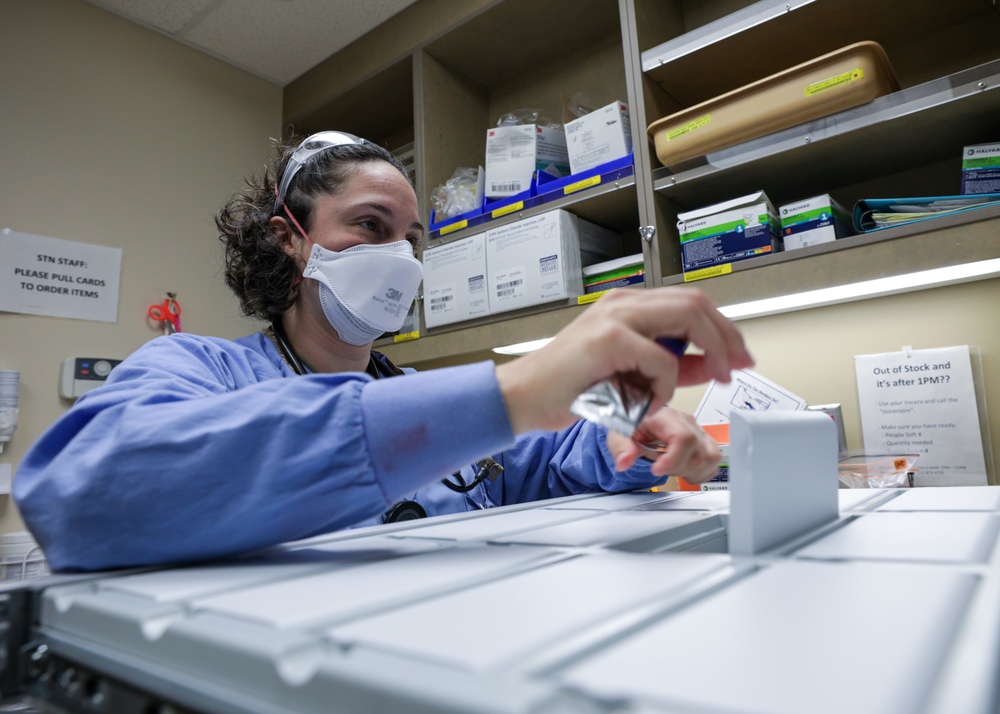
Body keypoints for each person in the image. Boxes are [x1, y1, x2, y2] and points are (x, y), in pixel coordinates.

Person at [13, 132, 754, 572]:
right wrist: (516, 390)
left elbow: (561, 458)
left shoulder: (438, 405)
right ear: (288, 238)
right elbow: (84, 492)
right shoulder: (200, 370)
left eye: (411, 238)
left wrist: (632, 427)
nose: (399, 257)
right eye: (371, 226)